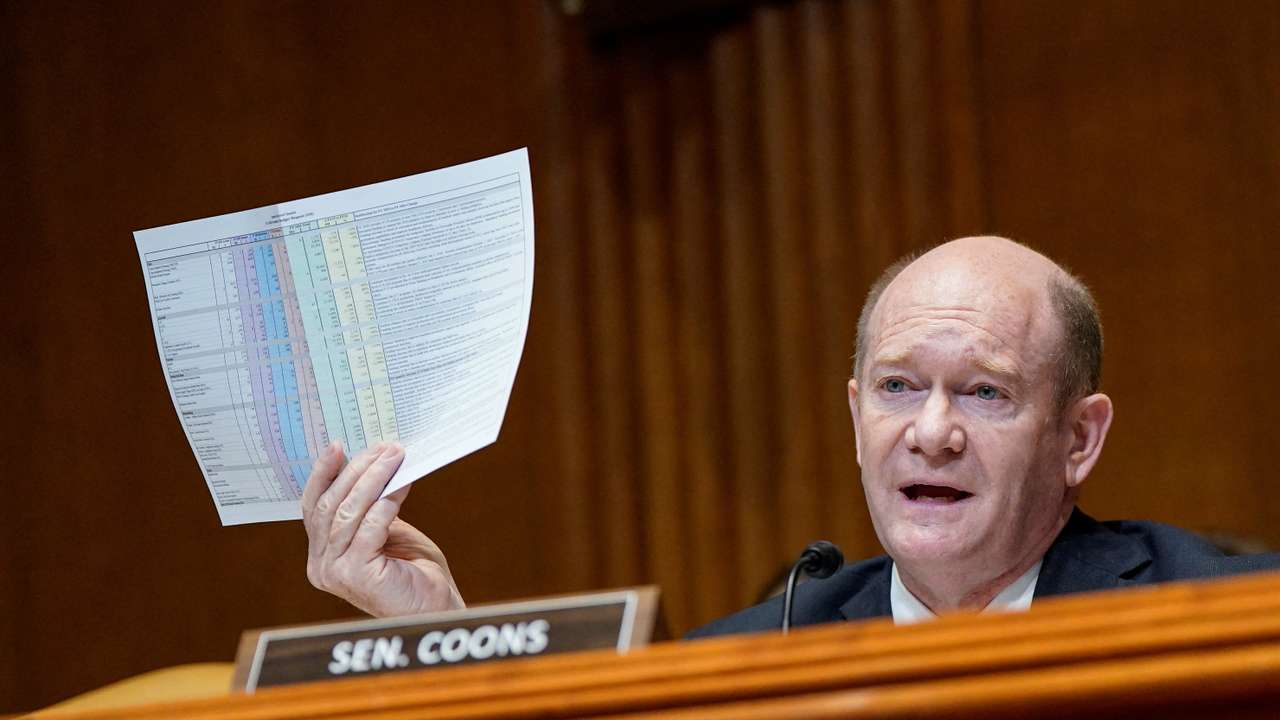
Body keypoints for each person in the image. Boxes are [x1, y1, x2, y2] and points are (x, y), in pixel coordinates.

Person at [300, 236, 1280, 633]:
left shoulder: (1227, 619)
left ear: (1077, 438)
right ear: (854, 414)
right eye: (898, 387)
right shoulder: (754, 654)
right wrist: (439, 629)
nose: (929, 433)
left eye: (982, 393)